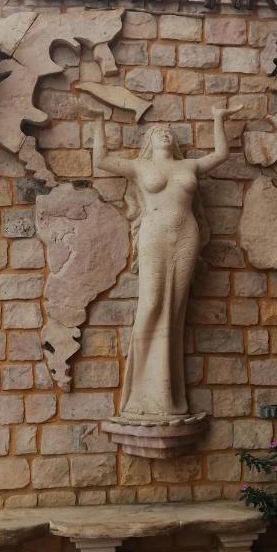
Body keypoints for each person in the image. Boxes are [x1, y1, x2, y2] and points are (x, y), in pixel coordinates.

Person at [82, 101, 241, 422]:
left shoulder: (189, 167)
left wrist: (218, 119)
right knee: (152, 304)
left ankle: (167, 395)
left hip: (186, 237)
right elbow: (101, 160)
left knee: (176, 310)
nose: (164, 134)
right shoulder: (141, 167)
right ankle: (141, 395)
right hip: (154, 235)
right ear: (150, 141)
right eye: (158, 132)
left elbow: (220, 155)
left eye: (168, 132)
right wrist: (98, 122)